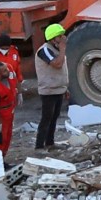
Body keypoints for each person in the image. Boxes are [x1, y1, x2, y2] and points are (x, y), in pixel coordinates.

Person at [32, 23, 68, 152]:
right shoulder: (45, 50)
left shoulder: (57, 50)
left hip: (58, 89)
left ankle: (50, 143)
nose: (63, 38)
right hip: (48, 90)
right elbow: (57, 64)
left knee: (54, 117)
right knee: (46, 118)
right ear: (53, 38)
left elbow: (62, 70)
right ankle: (39, 146)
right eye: (60, 36)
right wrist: (63, 49)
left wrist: (65, 87)